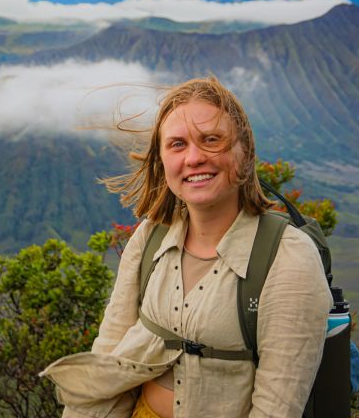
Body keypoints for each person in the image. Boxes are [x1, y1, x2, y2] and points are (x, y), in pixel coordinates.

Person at [41, 77, 332, 418]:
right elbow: (108, 363)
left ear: (245, 152)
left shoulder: (287, 258)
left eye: (211, 140)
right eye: (177, 144)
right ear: (162, 160)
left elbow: (277, 406)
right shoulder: (150, 238)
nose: (193, 158)